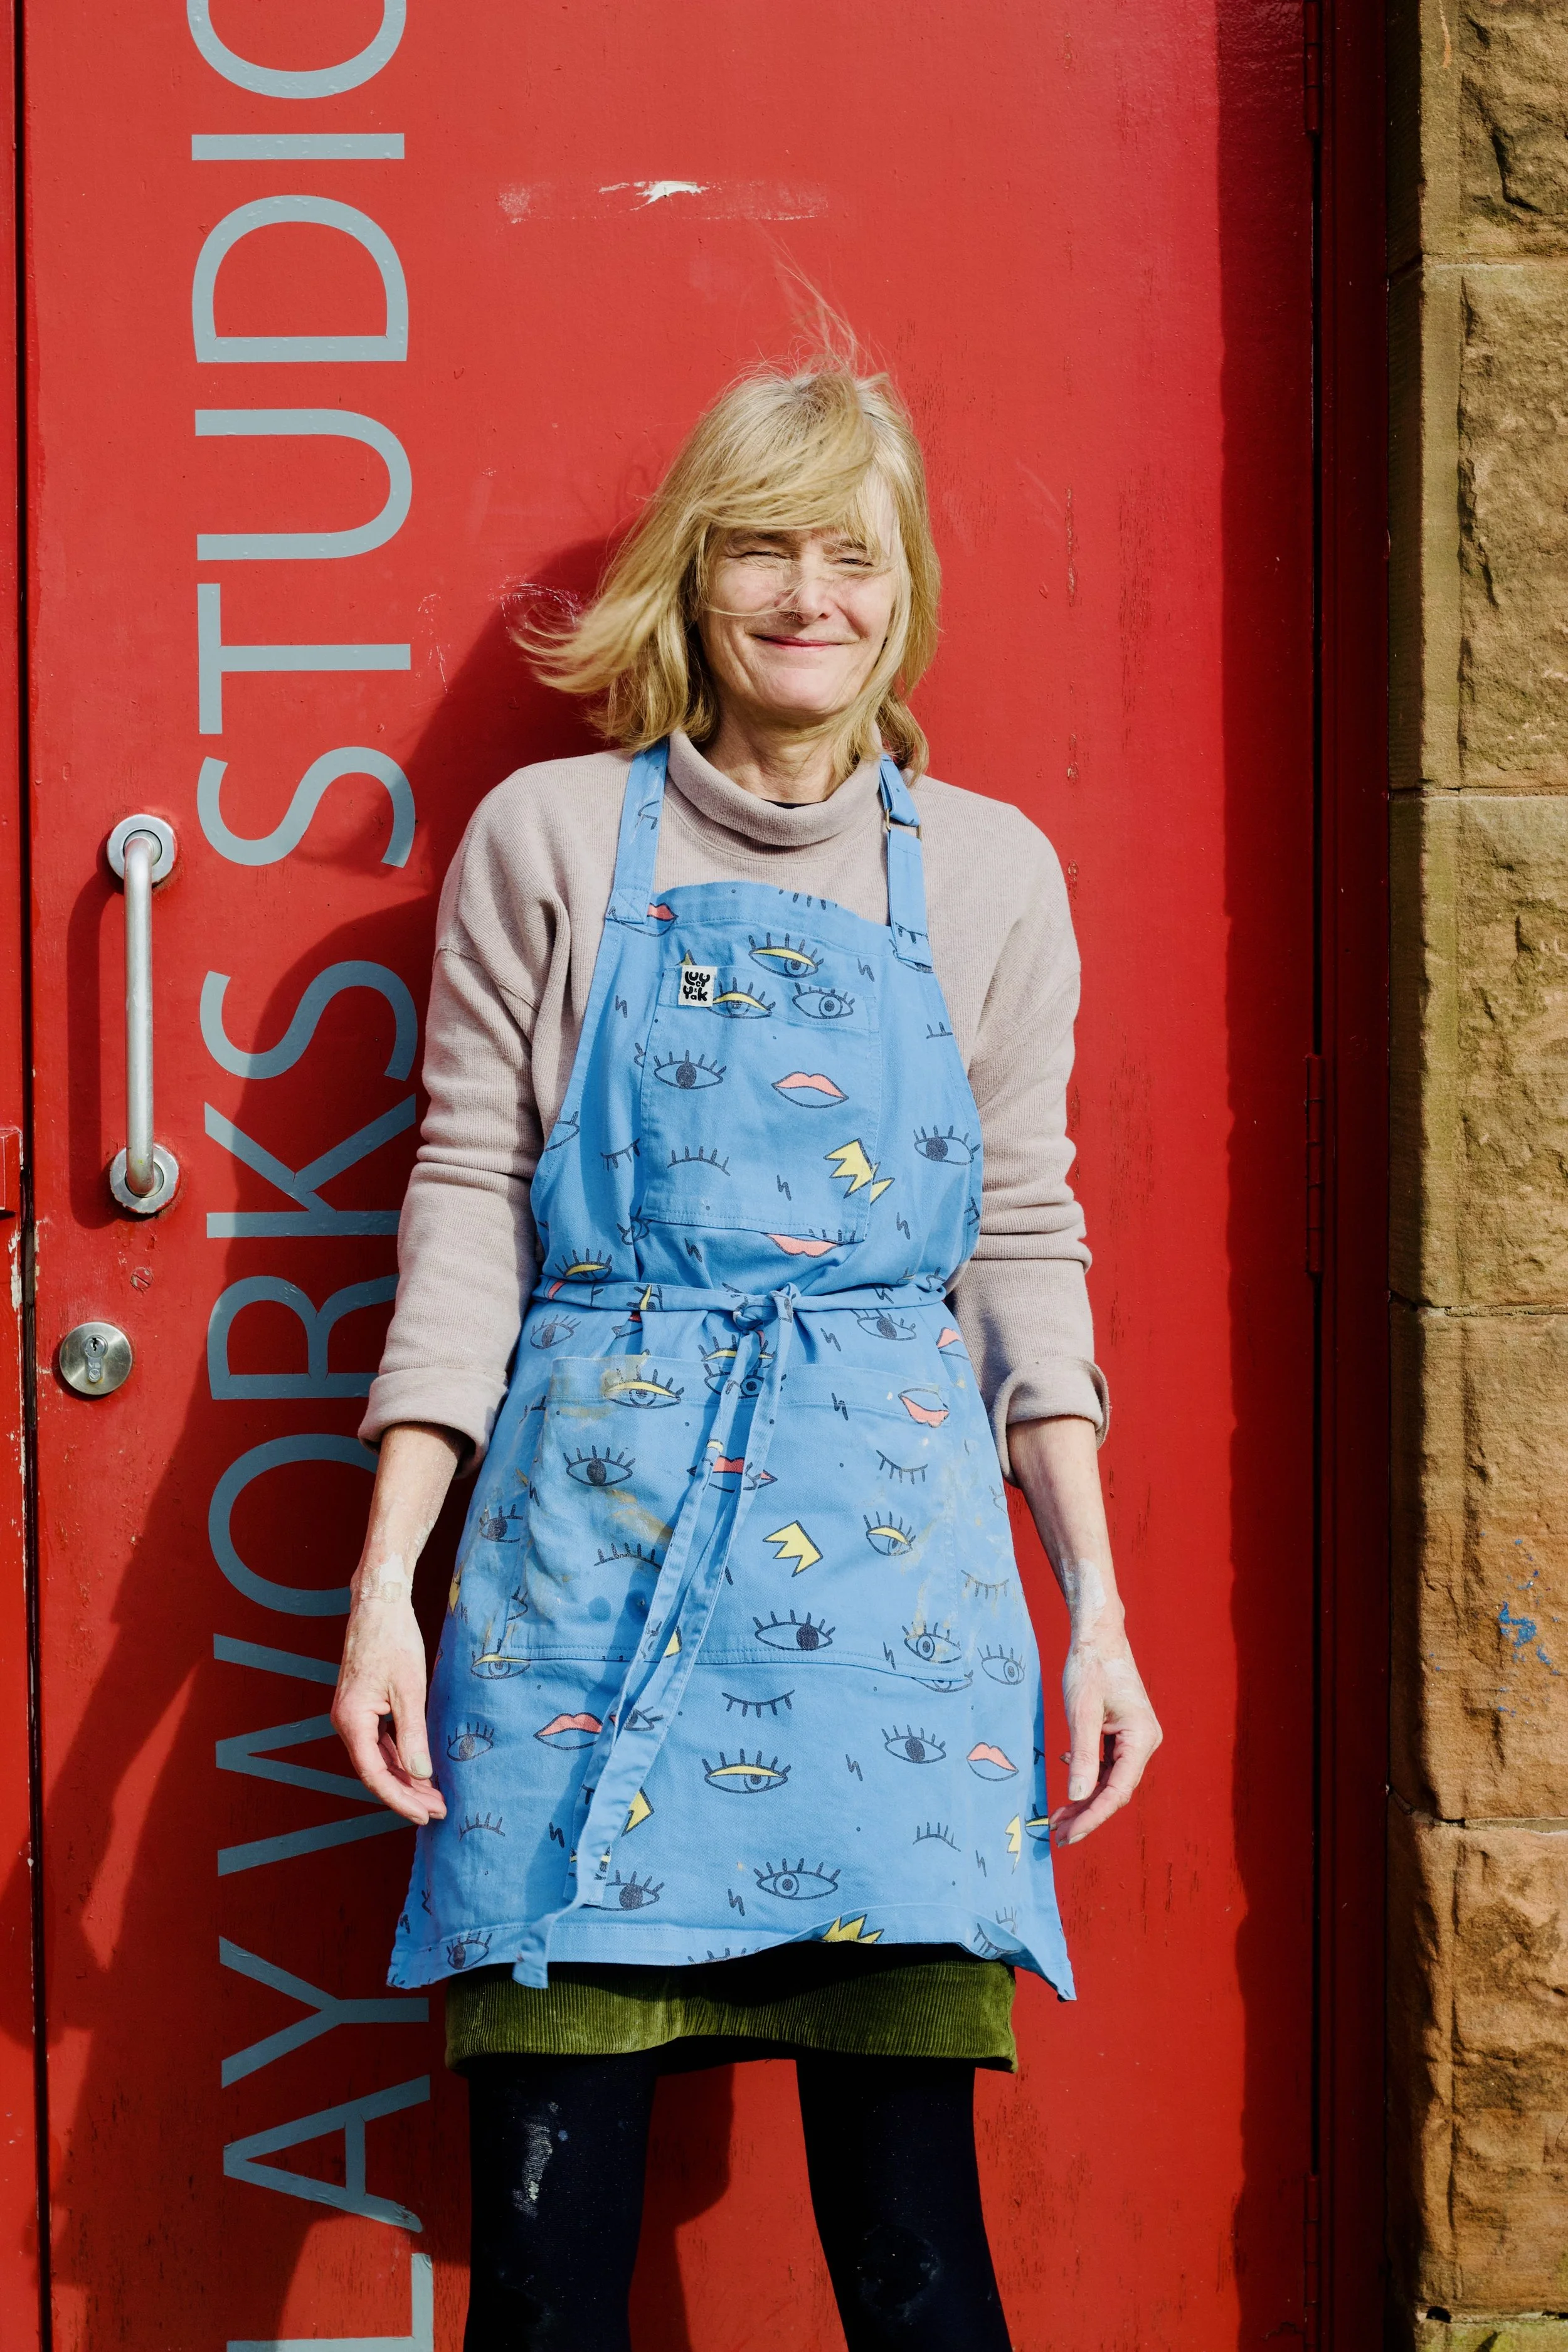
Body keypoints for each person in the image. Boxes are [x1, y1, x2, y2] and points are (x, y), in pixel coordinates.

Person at [332, 353, 1162, 2351]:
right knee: (541, 2268)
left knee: (912, 2257)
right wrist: (384, 1584)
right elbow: (464, 1199)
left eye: (851, 554)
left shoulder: (986, 876)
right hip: (576, 1584)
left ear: (907, 588)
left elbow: (1022, 1242)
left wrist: (1098, 1610)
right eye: (765, 548)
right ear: (693, 583)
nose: (810, 594)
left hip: (891, 1611)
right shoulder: (549, 840)